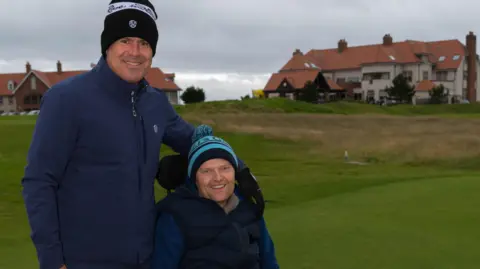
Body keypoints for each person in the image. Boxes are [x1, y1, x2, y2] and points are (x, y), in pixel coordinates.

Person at [20, 1, 246, 269]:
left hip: (145, 258)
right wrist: (52, 260)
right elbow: (39, 181)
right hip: (82, 260)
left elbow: (199, 143)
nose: (135, 52)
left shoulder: (155, 102)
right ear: (108, 46)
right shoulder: (66, 99)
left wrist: (241, 170)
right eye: (125, 40)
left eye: (144, 43)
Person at [152, 125, 279, 269]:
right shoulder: (175, 216)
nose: (218, 178)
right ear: (195, 178)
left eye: (225, 168)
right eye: (206, 171)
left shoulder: (248, 207)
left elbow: (269, 261)